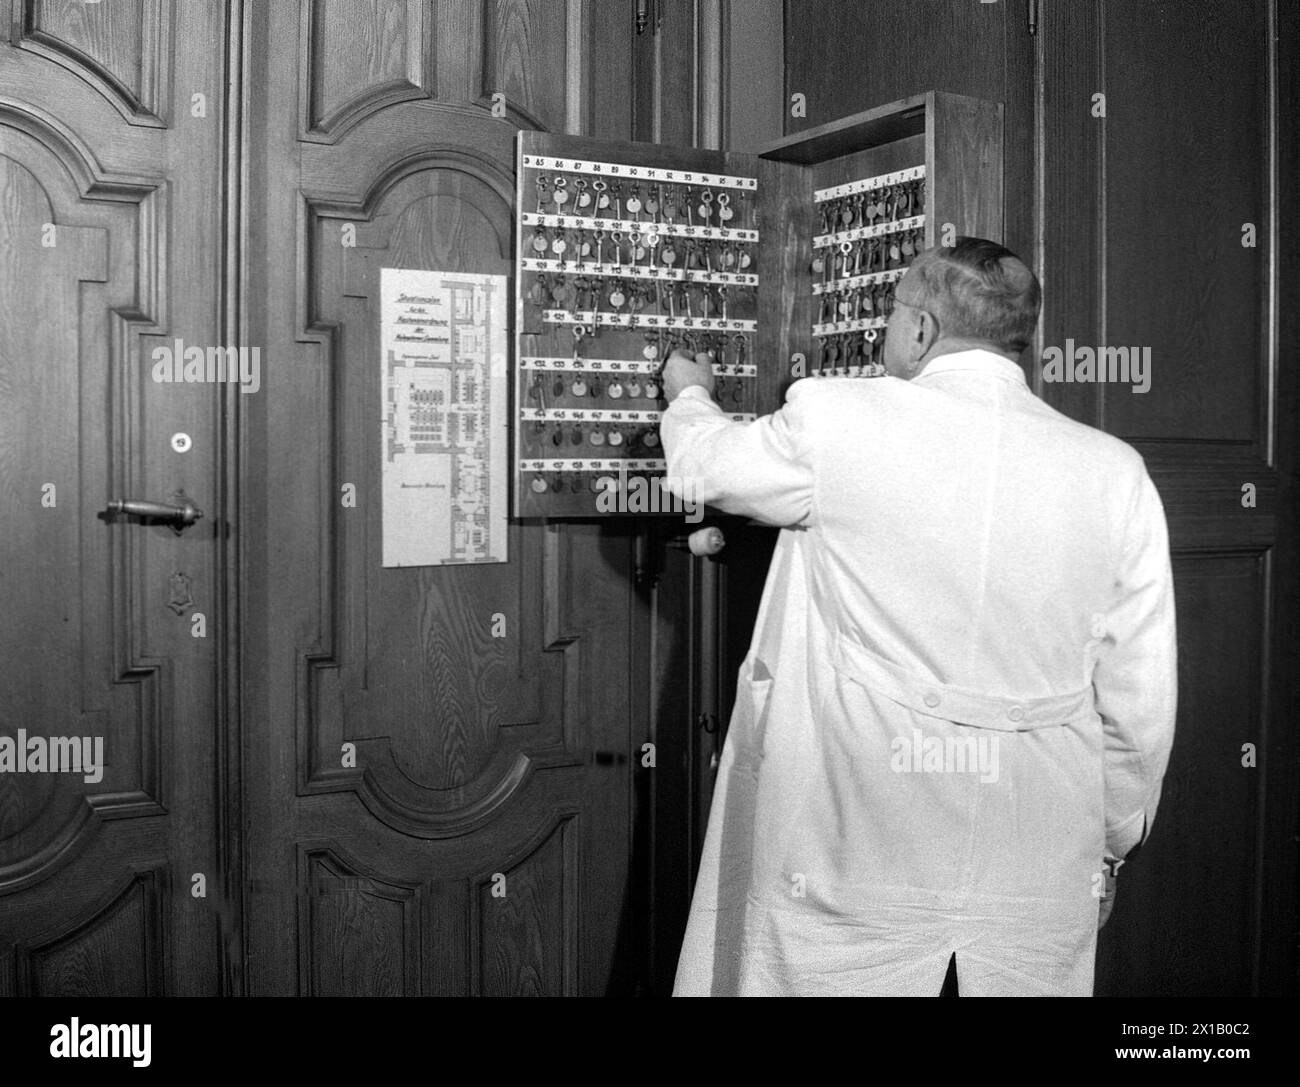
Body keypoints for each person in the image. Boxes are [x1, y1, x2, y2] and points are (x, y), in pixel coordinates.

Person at [658, 238, 1177, 997]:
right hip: (1036, 860)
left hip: (856, 852)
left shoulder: (836, 416)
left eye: (893, 316)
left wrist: (688, 392)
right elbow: (1141, 703)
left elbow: (704, 467)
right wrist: (1109, 845)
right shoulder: (1115, 473)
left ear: (922, 329)